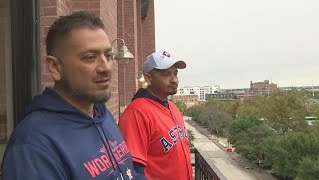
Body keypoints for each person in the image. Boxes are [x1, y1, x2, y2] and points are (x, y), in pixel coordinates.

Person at [1, 11, 144, 180]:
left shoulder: (102, 114)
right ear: (55, 67)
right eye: (90, 57)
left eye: (108, 56)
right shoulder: (33, 146)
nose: (106, 67)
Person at [118, 51, 193, 180]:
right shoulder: (137, 113)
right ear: (148, 78)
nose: (174, 80)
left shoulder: (173, 108)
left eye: (175, 73)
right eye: (166, 74)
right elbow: (132, 171)